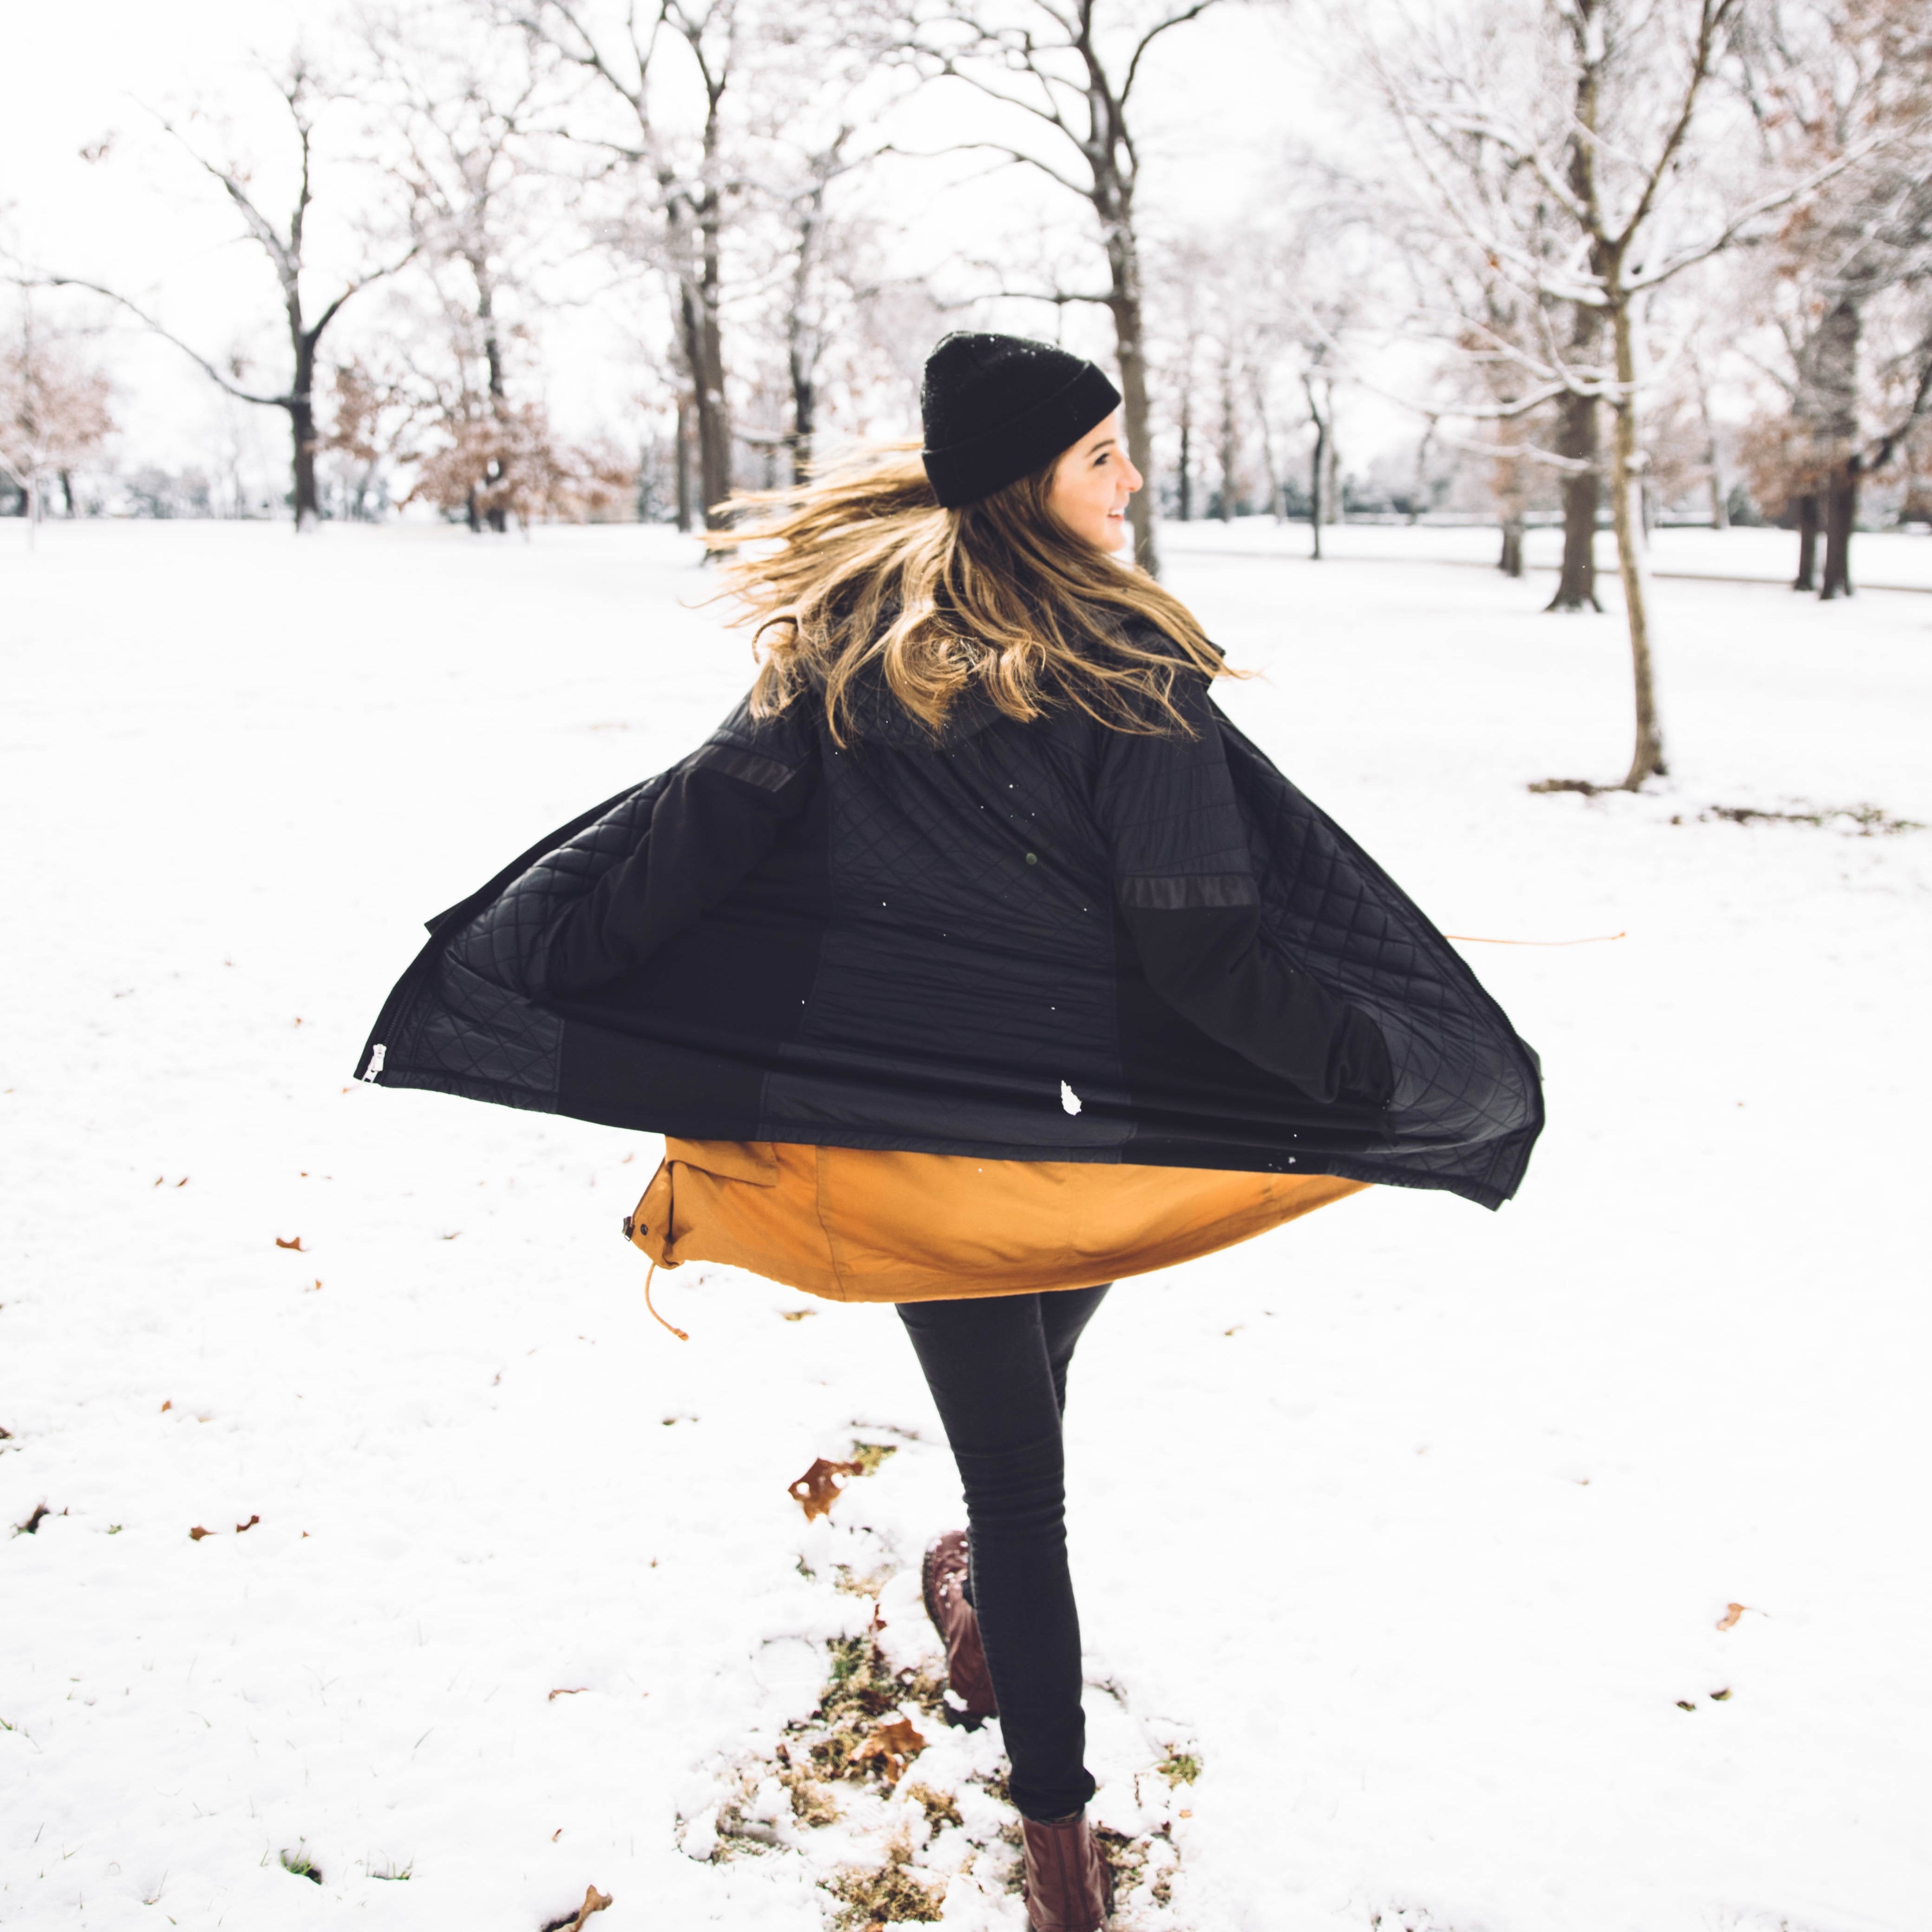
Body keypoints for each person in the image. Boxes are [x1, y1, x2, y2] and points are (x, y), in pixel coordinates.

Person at [356, 331, 1542, 1931]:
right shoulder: (1131, 676)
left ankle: (990, 1630)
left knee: (1022, 1451)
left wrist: (535, 957)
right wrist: (1373, 1073)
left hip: (907, 1152)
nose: (1132, 478)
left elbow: (673, 855)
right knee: (1029, 1487)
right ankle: (1063, 1863)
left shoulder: (836, 667)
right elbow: (1203, 950)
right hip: (1086, 1155)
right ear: (1024, 484)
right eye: (1102, 456)